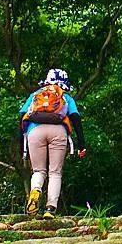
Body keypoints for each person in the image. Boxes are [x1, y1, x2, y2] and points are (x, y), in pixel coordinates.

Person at [20, 68, 86, 218]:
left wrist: (21, 146)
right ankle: (50, 209)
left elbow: (22, 115)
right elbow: (75, 118)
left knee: (38, 171)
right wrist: (82, 145)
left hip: (35, 132)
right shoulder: (66, 97)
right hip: (58, 132)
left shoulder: (35, 95)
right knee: (55, 172)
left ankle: (36, 190)